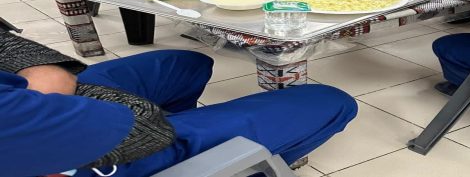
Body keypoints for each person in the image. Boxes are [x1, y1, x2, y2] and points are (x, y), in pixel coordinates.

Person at [1, 30, 357, 177]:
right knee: (331, 101)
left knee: (188, 63)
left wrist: (38, 73)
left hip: (28, 100)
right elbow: (141, 128)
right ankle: (223, 159)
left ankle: (195, 130)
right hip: (77, 155)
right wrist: (49, 82)